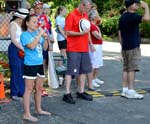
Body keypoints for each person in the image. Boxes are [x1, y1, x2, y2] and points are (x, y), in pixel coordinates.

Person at [21, 14, 51, 122]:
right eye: (34, 22)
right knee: (29, 89)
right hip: (30, 64)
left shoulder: (37, 34)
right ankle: (26, 114)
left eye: (37, 22)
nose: (36, 24)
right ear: (27, 23)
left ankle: (38, 109)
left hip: (39, 64)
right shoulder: (24, 35)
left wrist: (46, 38)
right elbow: (31, 46)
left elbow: (45, 48)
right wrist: (39, 35)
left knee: (39, 89)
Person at [63, 0, 93, 104]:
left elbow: (87, 31)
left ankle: (81, 91)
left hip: (84, 47)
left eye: (89, 8)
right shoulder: (71, 15)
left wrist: (91, 43)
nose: (87, 10)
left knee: (83, 71)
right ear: (81, 4)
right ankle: (66, 94)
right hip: (74, 48)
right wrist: (80, 33)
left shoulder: (85, 15)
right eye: (86, 8)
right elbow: (67, 32)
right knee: (71, 71)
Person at [118, 0, 150, 99]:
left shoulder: (123, 17)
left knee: (126, 69)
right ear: (131, 6)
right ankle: (131, 90)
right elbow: (147, 18)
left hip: (125, 46)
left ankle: (125, 90)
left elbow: (119, 33)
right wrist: (146, 7)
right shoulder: (133, 16)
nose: (137, 5)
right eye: (135, 4)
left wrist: (122, 45)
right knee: (132, 69)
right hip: (133, 47)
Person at [8, 8, 29, 101]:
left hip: (22, 49)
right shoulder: (13, 25)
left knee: (22, 71)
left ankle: (21, 92)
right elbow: (13, 39)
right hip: (15, 49)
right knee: (16, 71)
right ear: (21, 17)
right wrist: (22, 48)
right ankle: (14, 93)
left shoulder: (22, 26)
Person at [33, 0, 52, 96]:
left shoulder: (45, 18)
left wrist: (50, 43)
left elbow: (47, 31)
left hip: (44, 42)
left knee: (43, 65)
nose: (39, 10)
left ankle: (40, 87)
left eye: (41, 8)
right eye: (37, 8)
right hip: (35, 43)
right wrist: (41, 25)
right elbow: (33, 29)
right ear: (34, 9)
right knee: (35, 65)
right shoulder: (32, 18)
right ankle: (36, 87)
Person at [88, 9, 104, 90]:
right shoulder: (91, 25)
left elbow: (99, 35)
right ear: (93, 17)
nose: (98, 17)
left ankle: (95, 78)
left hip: (98, 45)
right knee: (93, 64)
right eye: (97, 15)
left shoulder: (95, 25)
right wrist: (100, 34)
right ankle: (91, 80)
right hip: (95, 45)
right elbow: (98, 36)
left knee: (97, 63)